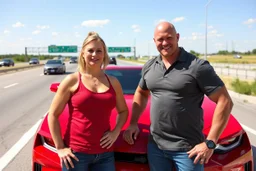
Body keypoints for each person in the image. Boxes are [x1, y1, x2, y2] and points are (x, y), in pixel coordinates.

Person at [123, 21, 233, 171]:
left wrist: (210, 142)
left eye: (169, 38)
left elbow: (225, 101)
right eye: (160, 39)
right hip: (156, 147)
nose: (165, 43)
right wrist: (133, 123)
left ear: (177, 37)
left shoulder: (197, 66)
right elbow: (141, 92)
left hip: (188, 150)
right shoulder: (150, 66)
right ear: (154, 41)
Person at [48, 31, 128, 171]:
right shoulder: (72, 80)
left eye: (99, 51)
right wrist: (60, 147)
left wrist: (115, 132)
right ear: (83, 54)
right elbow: (53, 115)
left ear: (104, 54)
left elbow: (123, 111)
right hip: (76, 154)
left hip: (105, 154)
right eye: (90, 50)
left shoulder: (113, 82)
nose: (94, 54)